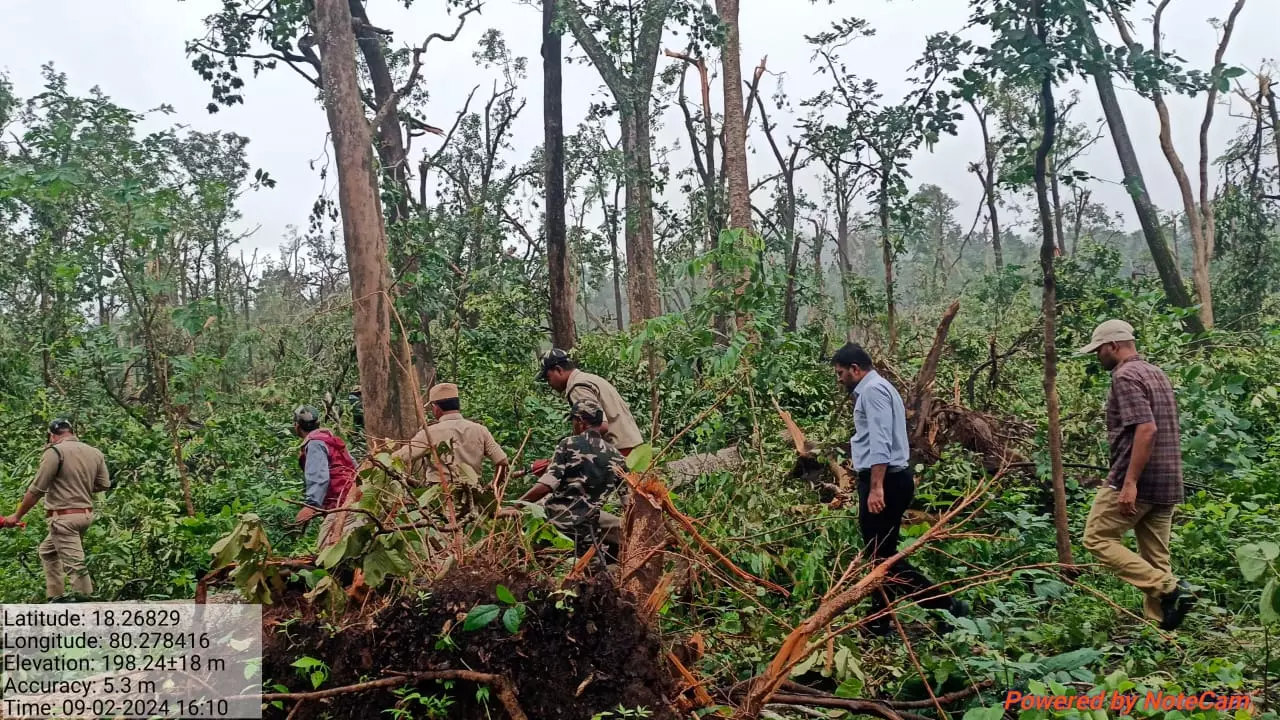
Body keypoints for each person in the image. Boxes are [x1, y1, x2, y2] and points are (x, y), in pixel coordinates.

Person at [831, 343, 966, 635]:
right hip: (887, 478)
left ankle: (947, 606)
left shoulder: (873, 391)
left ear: (856, 369)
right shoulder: (878, 388)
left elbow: (881, 441)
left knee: (882, 558)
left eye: (841, 373)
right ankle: (879, 619)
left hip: (887, 480)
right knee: (882, 554)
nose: (839, 379)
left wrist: (876, 487)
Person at [1077, 319, 1194, 630]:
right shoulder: (1156, 373)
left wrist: (1129, 483)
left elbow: (1146, 429)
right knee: (1156, 558)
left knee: (1097, 538)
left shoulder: (1125, 376)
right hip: (1168, 480)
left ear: (1113, 346)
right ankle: (1161, 633)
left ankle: (1170, 588)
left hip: (1138, 478)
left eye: (1099, 350)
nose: (1097, 357)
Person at [498, 399, 626, 573]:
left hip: (556, 524)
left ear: (581, 422)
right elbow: (628, 501)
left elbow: (548, 484)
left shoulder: (569, 444)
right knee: (590, 575)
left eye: (573, 421)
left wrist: (517, 504)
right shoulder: (617, 457)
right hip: (588, 529)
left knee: (540, 569)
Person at [0, 419, 110, 601]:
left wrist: (16, 516)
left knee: (75, 565)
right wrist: (78, 486)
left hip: (64, 518)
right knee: (48, 551)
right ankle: (56, 598)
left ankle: (86, 610)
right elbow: (104, 484)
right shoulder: (94, 452)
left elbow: (36, 490)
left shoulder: (55, 452)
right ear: (71, 432)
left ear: (52, 435)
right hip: (85, 515)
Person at [393, 383, 509, 521]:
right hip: (472, 498)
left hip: (440, 498)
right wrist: (493, 488)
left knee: (442, 534)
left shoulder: (430, 433)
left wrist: (376, 459)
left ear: (436, 408)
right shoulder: (479, 430)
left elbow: (400, 458)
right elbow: (502, 462)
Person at [537, 349, 643, 454]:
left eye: (548, 378)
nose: (549, 383)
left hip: (620, 450)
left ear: (559, 370)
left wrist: (569, 447)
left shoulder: (578, 387)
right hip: (632, 446)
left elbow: (600, 425)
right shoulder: (588, 378)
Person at [293, 406, 357, 549]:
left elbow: (320, 477)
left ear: (297, 426)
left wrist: (311, 505)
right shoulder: (333, 441)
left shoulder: (315, 444)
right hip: (354, 500)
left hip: (339, 506)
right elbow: (354, 467)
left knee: (327, 550)